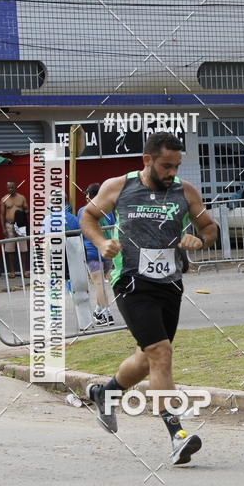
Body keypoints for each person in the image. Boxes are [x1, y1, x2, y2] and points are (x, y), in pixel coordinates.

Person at [80, 132, 217, 465]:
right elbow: (88, 216)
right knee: (161, 351)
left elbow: (209, 227)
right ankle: (177, 435)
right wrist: (101, 243)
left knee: (148, 357)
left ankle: (106, 394)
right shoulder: (119, 187)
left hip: (169, 284)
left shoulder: (185, 192)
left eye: (176, 166)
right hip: (131, 281)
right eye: (166, 165)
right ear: (147, 160)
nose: (172, 172)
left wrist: (200, 240)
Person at [77, 183, 116, 326]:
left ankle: (107, 313)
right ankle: (99, 311)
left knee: (99, 284)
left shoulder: (83, 211)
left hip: (92, 252)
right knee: (101, 284)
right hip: (107, 252)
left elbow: (80, 228)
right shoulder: (109, 210)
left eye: (87, 194)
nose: (85, 197)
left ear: (90, 195)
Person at [0, 181, 29, 277]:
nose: (11, 189)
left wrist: (25, 211)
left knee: (23, 248)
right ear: (7, 188)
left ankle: (24, 270)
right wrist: (3, 228)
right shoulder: (4, 199)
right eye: (9, 187)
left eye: (12, 187)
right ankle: (12, 271)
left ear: (15, 187)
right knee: (10, 249)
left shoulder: (21, 197)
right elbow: (2, 214)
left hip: (20, 225)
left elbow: (26, 209)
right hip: (9, 224)